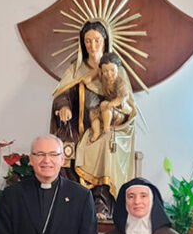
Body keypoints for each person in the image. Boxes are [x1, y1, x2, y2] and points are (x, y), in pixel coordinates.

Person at [51, 20, 137, 205]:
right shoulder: (77, 69)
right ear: (82, 42)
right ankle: (71, 203)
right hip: (79, 127)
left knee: (105, 144)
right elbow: (63, 94)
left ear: (105, 41)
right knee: (67, 146)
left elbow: (127, 103)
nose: (92, 45)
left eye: (97, 40)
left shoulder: (116, 70)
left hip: (107, 127)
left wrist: (118, 113)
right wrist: (64, 107)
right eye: (88, 41)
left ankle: (102, 204)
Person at [87, 52, 133, 143]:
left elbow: (121, 98)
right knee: (93, 113)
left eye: (112, 70)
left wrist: (111, 104)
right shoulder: (104, 80)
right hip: (108, 109)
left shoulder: (121, 83)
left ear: (118, 69)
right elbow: (87, 80)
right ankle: (96, 132)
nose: (109, 74)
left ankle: (106, 129)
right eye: (105, 71)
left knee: (104, 105)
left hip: (120, 109)